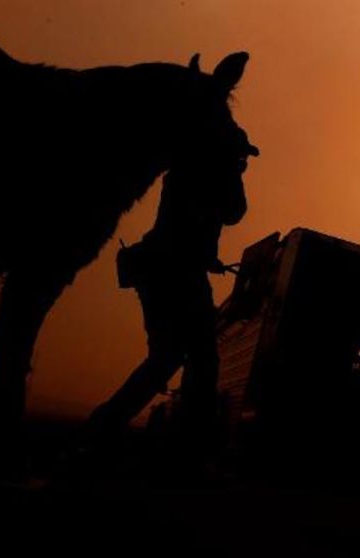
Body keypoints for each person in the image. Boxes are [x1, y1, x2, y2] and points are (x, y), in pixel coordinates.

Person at [83, 142, 254, 466]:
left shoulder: (188, 172)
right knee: (202, 359)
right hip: (175, 274)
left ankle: (103, 428)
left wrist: (207, 258)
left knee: (165, 359)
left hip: (163, 271)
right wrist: (235, 171)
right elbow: (234, 211)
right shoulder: (202, 173)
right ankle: (189, 450)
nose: (242, 162)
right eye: (239, 157)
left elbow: (196, 223)